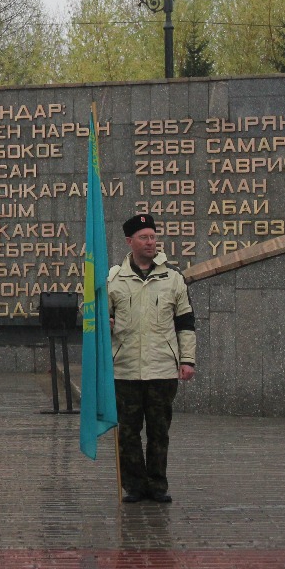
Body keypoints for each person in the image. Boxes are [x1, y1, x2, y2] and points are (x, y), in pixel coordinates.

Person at [109, 213, 196, 504]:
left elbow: (185, 324)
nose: (151, 242)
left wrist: (188, 361)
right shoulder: (112, 279)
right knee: (129, 434)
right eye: (144, 237)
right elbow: (92, 315)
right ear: (129, 241)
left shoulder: (173, 279)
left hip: (161, 370)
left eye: (153, 237)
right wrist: (97, 317)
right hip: (125, 369)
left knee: (159, 432)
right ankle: (134, 486)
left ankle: (157, 484)